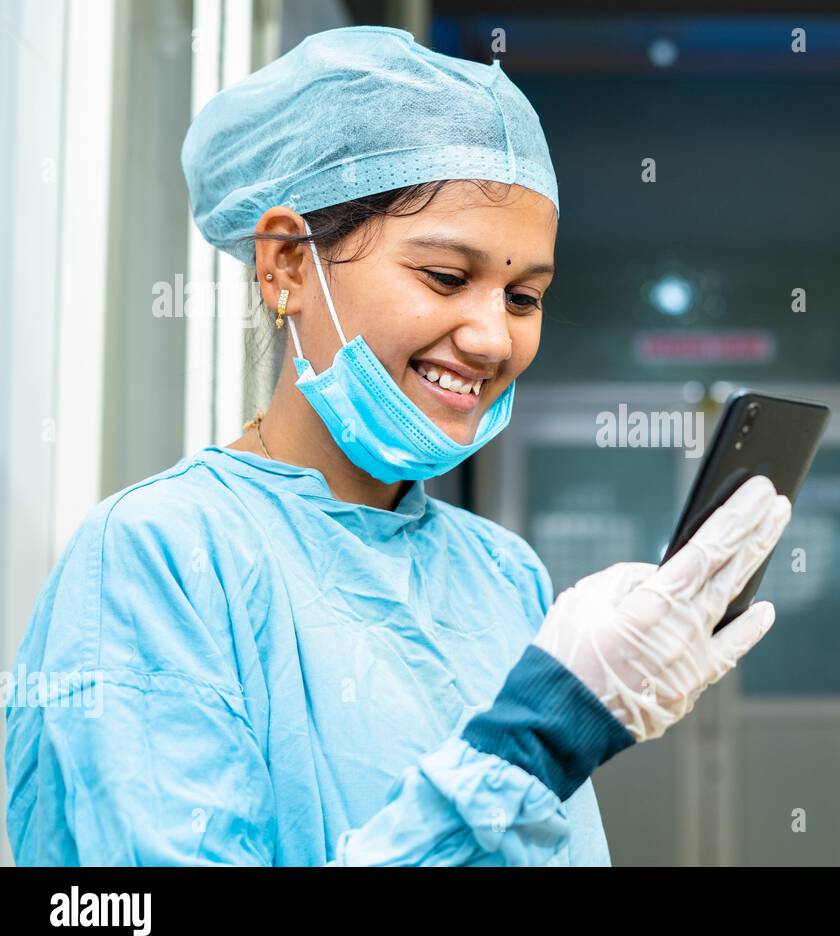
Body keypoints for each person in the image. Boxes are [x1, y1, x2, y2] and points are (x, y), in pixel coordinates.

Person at [3, 25, 791, 866]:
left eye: (524, 296)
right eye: (447, 278)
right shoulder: (158, 560)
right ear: (285, 266)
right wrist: (535, 740)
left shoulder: (503, 574)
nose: (493, 338)